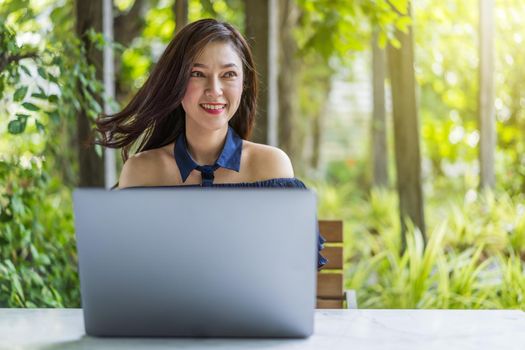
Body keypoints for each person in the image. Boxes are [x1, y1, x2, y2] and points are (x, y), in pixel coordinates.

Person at [95, 18, 327, 269]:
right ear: (176, 82)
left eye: (228, 74)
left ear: (244, 83)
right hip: (163, 310)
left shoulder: (271, 167)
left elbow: (291, 272)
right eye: (197, 74)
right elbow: (126, 273)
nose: (214, 90)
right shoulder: (142, 170)